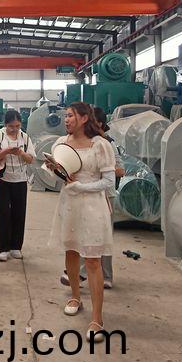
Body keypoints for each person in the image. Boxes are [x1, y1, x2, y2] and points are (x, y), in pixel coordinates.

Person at [46, 102, 115, 343]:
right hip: (69, 204)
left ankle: (97, 319)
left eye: (70, 115)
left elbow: (108, 182)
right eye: (65, 116)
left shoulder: (100, 145)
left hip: (92, 205)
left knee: (93, 260)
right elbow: (57, 174)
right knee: (71, 251)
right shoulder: (61, 143)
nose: (66, 120)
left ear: (84, 118)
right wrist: (55, 170)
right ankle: (75, 296)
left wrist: (81, 187)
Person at [61, 105, 125, 289]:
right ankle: (81, 274)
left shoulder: (106, 144)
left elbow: (119, 171)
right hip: (79, 196)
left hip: (103, 196)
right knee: (81, 238)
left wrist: (99, 172)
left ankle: (106, 275)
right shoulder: (71, 142)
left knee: (100, 239)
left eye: (71, 116)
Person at [0, 109, 35, 262]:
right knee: (3, 213)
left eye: (17, 126)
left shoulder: (25, 138)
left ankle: (16, 247)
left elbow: (31, 159)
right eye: (11, 126)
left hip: (20, 180)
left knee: (19, 213)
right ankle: (3, 248)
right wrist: (6, 152)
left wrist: (21, 153)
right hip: (2, 180)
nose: (14, 129)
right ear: (5, 124)